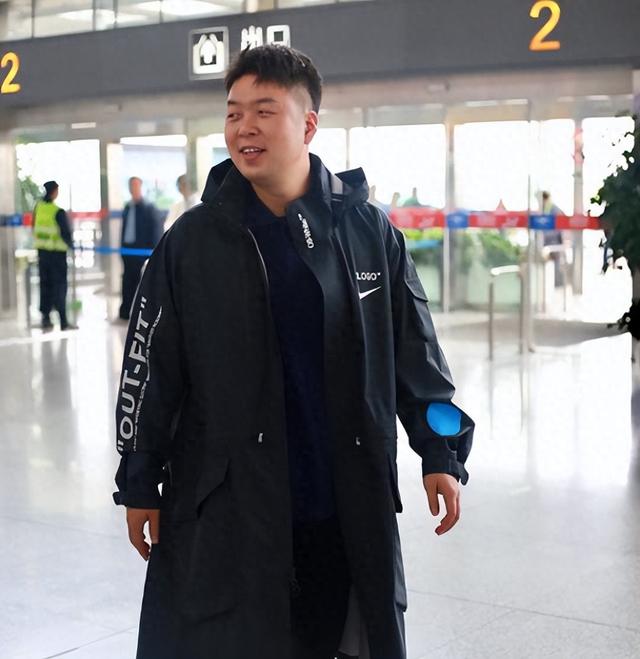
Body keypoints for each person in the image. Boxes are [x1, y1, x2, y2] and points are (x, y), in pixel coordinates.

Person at [113, 45, 473, 659]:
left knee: (343, 635)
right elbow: (150, 372)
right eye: (233, 113)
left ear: (308, 125)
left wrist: (440, 449)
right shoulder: (193, 242)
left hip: (343, 500)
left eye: (263, 111)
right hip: (230, 505)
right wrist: (141, 479)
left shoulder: (366, 231)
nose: (243, 128)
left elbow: (418, 355)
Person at [32, 180, 76, 331]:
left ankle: (46, 319)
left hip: (42, 254)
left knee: (45, 286)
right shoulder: (57, 211)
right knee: (60, 287)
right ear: (54, 191)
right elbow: (66, 234)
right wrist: (71, 246)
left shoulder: (38, 208)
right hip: (57, 256)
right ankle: (63, 321)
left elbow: (34, 228)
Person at [118, 176, 161, 321]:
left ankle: (142, 317)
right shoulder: (127, 207)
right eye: (132, 186)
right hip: (128, 252)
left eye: (136, 185)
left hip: (143, 253)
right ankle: (125, 312)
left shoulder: (149, 208)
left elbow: (156, 232)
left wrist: (153, 254)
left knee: (143, 286)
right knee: (127, 282)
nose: (134, 189)